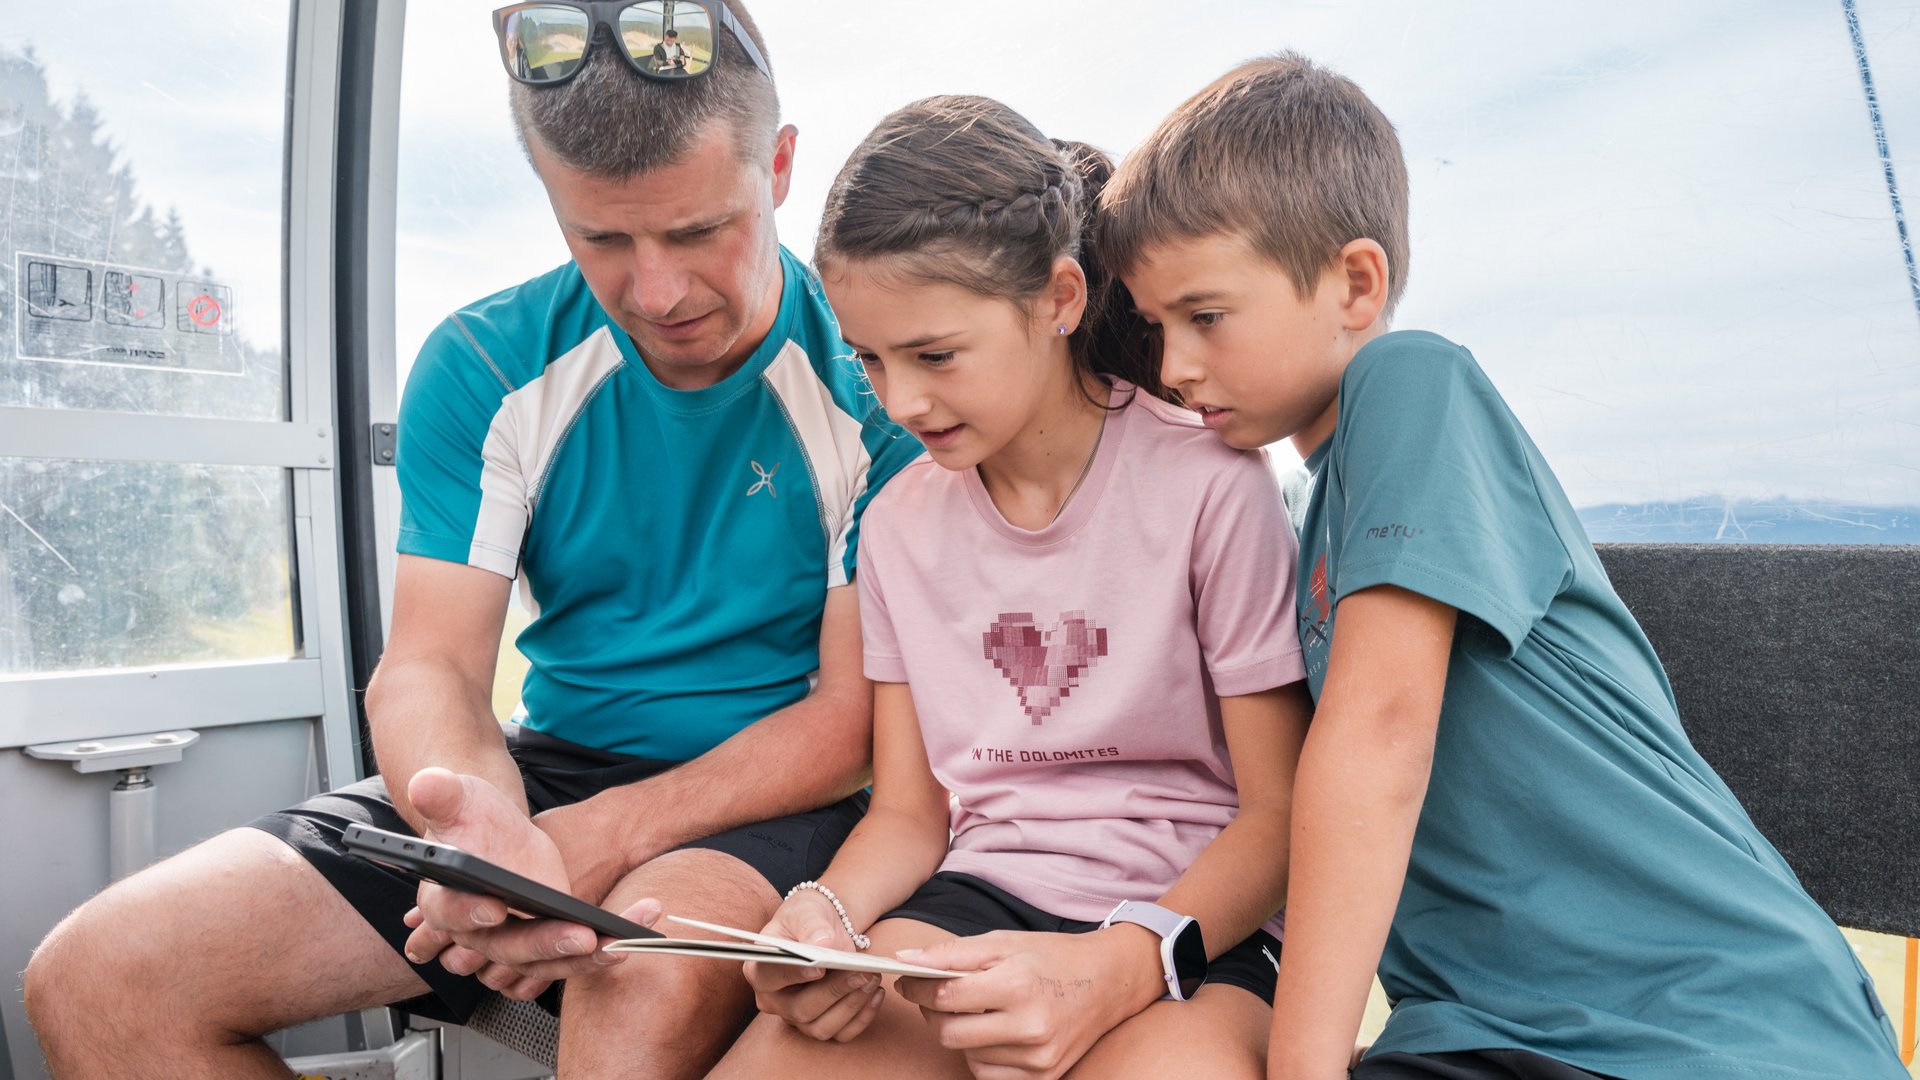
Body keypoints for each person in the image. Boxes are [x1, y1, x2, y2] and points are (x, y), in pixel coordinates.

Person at [23, 5, 918, 1078]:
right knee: (100, 978)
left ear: (777, 170)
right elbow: (432, 666)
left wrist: (595, 840)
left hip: (777, 799)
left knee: (632, 999)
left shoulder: (877, 388)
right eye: (601, 239)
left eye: (696, 232)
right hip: (542, 772)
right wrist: (486, 837)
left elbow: (847, 721)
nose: (658, 291)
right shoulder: (484, 363)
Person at [1101, 53, 1909, 1080]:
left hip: (1709, 1019)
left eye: (1205, 317)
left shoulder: (1413, 383)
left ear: (1356, 283)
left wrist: (1302, 1074)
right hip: (1498, 1031)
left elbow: (1381, 738)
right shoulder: (1310, 520)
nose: (1175, 365)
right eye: (1157, 328)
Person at [706, 95, 1315, 1080]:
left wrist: (1112, 971)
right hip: (976, 906)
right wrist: (821, 917)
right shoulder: (898, 526)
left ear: (1060, 301)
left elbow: (1281, 817)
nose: (900, 401)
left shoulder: (1212, 488)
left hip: (1193, 925)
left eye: (935, 355)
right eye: (868, 359)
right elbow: (911, 814)